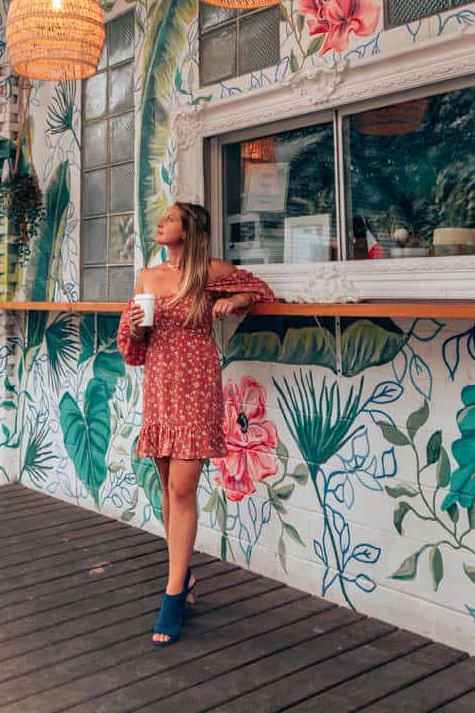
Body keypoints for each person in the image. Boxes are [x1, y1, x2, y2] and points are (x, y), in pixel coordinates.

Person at [116, 201, 275, 646]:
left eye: (169, 219)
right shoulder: (148, 277)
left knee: (183, 488)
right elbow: (132, 350)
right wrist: (132, 325)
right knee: (167, 487)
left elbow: (260, 288)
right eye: (162, 219)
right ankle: (183, 578)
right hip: (161, 382)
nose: (160, 223)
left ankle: (171, 597)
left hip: (197, 381)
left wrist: (235, 299)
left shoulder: (206, 271)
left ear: (188, 231)